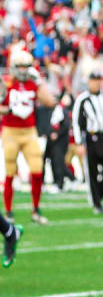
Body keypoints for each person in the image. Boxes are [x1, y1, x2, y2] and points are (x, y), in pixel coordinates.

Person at [0, 49, 55, 223]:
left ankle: (36, 210)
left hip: (29, 131)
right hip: (11, 130)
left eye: (26, 66)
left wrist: (39, 81)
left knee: (37, 169)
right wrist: (9, 110)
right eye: (20, 66)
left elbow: (49, 101)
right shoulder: (6, 83)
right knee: (10, 171)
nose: (23, 70)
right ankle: (8, 211)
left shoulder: (33, 83)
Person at [71, 69, 103, 214]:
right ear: (89, 82)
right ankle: (96, 203)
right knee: (92, 172)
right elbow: (77, 122)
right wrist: (79, 143)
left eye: (98, 80)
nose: (96, 83)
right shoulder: (83, 99)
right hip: (90, 138)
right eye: (94, 80)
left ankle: (98, 196)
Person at [45, 92, 73, 192]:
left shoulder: (61, 110)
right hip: (52, 142)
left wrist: (57, 134)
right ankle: (64, 181)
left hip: (61, 141)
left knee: (59, 163)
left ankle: (61, 183)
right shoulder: (49, 110)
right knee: (55, 162)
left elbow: (66, 125)